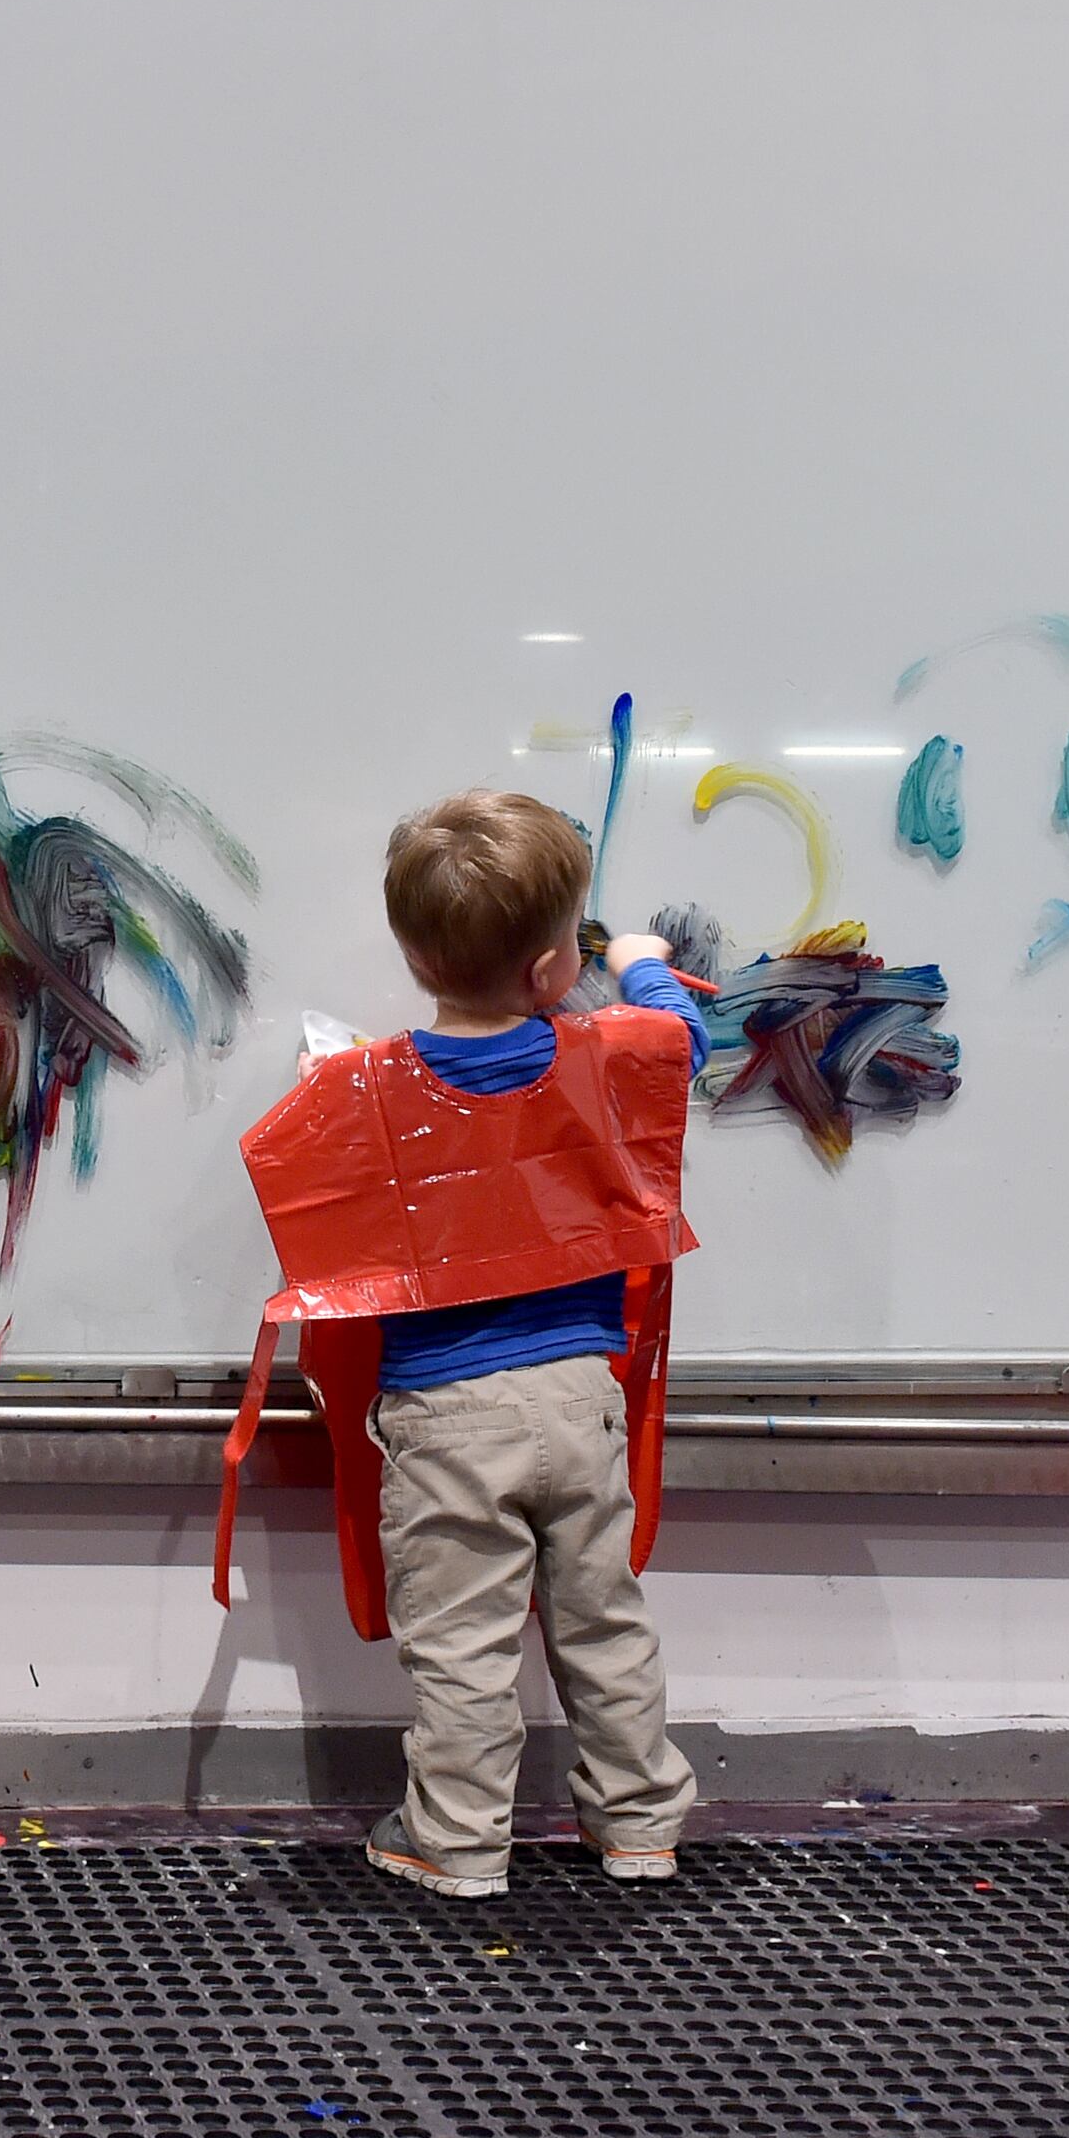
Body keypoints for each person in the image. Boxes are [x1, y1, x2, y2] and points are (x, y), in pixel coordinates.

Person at [220, 791, 702, 1901]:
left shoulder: (364, 1085)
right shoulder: (610, 1058)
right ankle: (638, 1824)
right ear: (552, 970)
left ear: (408, 949)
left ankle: (459, 1838)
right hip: (583, 1395)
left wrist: (329, 1080)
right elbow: (685, 1037)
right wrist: (635, 960)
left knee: (464, 1645)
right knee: (605, 1621)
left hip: (445, 1415)